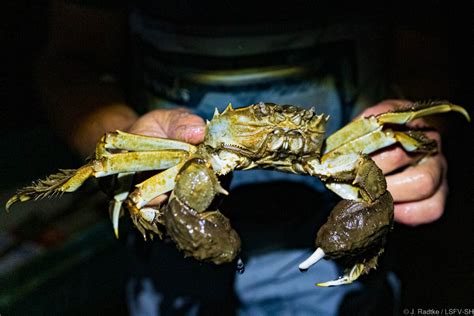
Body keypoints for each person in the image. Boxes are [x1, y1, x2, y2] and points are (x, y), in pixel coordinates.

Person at [35, 1, 450, 315]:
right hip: (171, 272)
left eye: (291, 128)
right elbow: (73, 63)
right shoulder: (198, 151)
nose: (281, 137)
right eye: (267, 126)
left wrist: (426, 139)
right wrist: (115, 131)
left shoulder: (337, 151)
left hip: (337, 279)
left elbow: (430, 58)